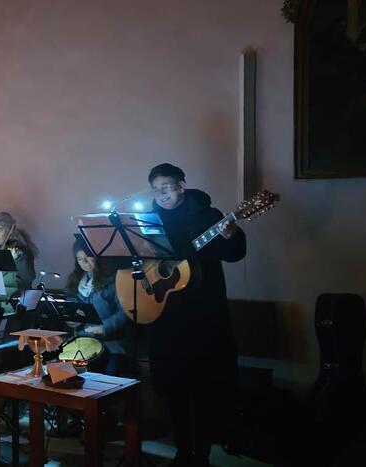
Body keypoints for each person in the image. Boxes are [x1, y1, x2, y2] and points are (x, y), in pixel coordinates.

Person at [145, 163, 246, 467]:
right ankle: (181, 451)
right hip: (165, 315)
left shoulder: (207, 216)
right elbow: (141, 262)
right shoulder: (147, 221)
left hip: (203, 315)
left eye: (167, 187)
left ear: (181, 185)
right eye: (156, 189)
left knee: (203, 387)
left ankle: (201, 455)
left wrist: (230, 236)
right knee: (173, 387)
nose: (162, 194)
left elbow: (234, 254)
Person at [66, 239, 134, 377]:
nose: (84, 262)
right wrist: (72, 320)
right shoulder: (76, 282)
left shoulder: (114, 279)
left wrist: (103, 328)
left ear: (96, 257)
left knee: (110, 374)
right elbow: (71, 308)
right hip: (86, 341)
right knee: (78, 374)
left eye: (87, 257)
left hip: (114, 344)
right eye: (79, 259)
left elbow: (125, 312)